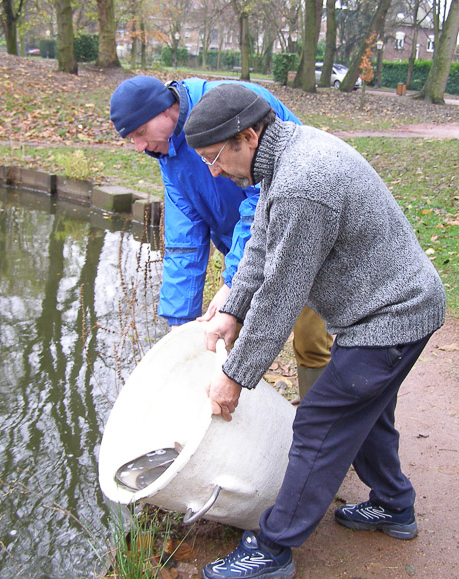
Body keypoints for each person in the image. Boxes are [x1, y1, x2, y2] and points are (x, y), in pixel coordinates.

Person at [182, 84, 447, 579]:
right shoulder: (284, 157)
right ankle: (394, 507)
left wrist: (234, 377)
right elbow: (262, 242)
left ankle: (274, 546)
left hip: (392, 317)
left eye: (215, 157)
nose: (213, 170)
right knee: (365, 417)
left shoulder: (306, 182)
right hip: (377, 312)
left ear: (249, 135)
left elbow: (282, 294)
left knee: (321, 423)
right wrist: (230, 312)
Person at [109, 76, 332, 397]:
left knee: (310, 341)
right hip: (247, 253)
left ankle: (322, 423)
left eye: (141, 133)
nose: (140, 146)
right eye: (132, 139)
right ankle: (257, 424)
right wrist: (180, 320)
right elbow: (183, 235)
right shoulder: (167, 152)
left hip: (301, 237)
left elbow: (265, 198)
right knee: (230, 336)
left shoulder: (234, 104)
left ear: (166, 109)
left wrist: (232, 281)